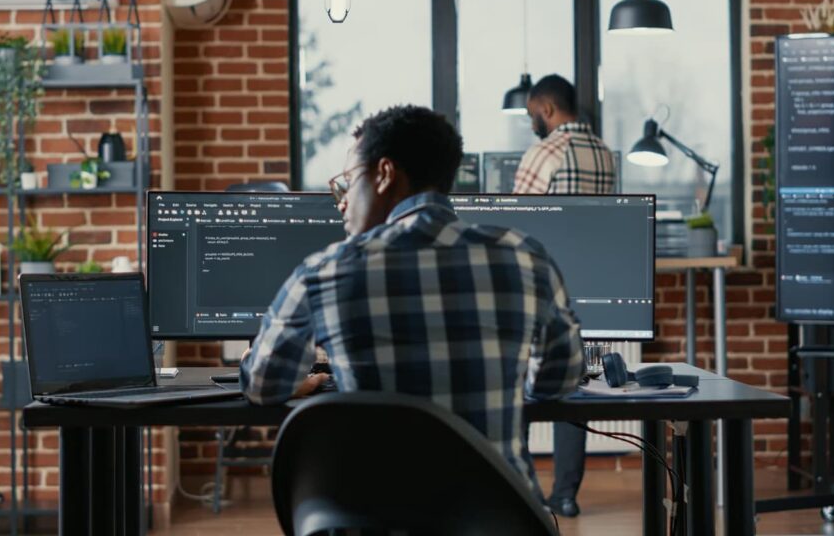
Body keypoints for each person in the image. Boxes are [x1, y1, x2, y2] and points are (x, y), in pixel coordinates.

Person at [241, 104, 584, 498]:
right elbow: (559, 380)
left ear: (385, 174)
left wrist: (306, 380)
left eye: (348, 182)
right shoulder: (526, 257)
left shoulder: (324, 272)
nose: (341, 201)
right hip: (500, 516)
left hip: (375, 516)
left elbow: (262, 385)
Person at [513, 74, 618, 518]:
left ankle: (523, 492)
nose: (532, 122)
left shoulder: (543, 152)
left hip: (543, 288)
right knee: (575, 385)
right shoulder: (605, 154)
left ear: (548, 109)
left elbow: (516, 223)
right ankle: (566, 494)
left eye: (533, 114)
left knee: (520, 383)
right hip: (591, 285)